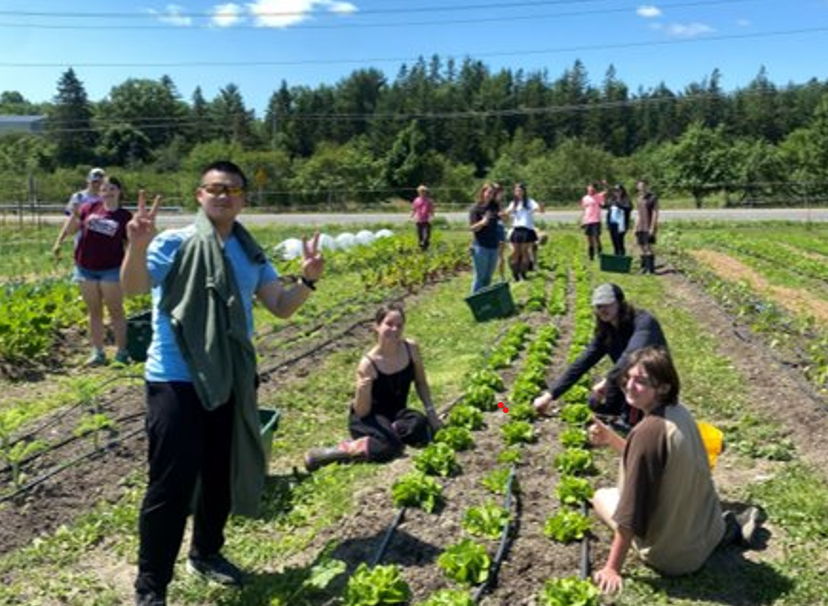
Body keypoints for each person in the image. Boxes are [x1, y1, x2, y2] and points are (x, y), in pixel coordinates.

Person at [121, 160, 324, 606]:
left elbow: (281, 306)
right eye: (214, 187)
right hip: (176, 379)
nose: (222, 194)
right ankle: (151, 586)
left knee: (219, 474)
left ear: (243, 199)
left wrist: (307, 279)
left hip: (232, 377)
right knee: (170, 486)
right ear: (199, 195)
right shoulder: (174, 242)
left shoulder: (252, 253)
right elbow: (134, 288)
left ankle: (207, 552)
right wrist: (136, 246)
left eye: (232, 189)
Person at [588, 346, 764, 594]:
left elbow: (631, 510)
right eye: (628, 378)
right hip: (709, 530)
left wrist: (612, 568)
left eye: (641, 381)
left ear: (663, 387)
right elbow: (648, 458)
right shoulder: (679, 413)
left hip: (674, 557)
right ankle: (728, 529)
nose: (629, 386)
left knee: (601, 496)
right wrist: (610, 438)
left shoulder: (649, 432)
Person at [304, 303, 440, 471]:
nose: (394, 330)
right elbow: (362, 411)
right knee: (388, 449)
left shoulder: (410, 348)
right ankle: (338, 451)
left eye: (399, 325)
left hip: (396, 414)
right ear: (377, 326)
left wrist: (431, 413)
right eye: (389, 324)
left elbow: (421, 382)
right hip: (369, 418)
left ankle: (390, 433)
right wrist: (362, 389)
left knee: (421, 424)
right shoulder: (368, 364)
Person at [532, 283, 668, 427]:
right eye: (598, 306)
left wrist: (606, 382)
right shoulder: (606, 330)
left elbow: (632, 355)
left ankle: (644, 418)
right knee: (598, 404)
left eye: (607, 304)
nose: (603, 310)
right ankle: (627, 415)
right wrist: (550, 395)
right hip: (627, 373)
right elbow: (582, 362)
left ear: (620, 303)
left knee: (638, 417)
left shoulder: (644, 322)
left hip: (654, 377)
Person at [53, 175, 132, 366]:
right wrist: (73, 216)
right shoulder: (88, 208)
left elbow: (130, 244)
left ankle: (122, 354)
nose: (108, 192)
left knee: (116, 311)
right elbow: (72, 229)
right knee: (94, 311)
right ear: (99, 192)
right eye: (104, 189)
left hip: (111, 269)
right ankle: (98, 353)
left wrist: (130, 268)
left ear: (119, 191)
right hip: (85, 267)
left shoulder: (124, 216)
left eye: (112, 188)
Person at [53, 167, 106, 254]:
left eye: (100, 182)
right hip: (82, 242)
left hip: (102, 243)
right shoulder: (78, 197)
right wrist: (58, 241)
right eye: (94, 182)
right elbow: (70, 220)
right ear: (88, 181)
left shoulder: (106, 198)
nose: (97, 185)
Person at [504, 182, 543, 281]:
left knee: (525, 252)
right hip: (516, 229)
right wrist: (507, 212)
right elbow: (506, 213)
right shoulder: (513, 203)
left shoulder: (529, 202)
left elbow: (540, 210)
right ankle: (515, 274)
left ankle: (523, 274)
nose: (518, 192)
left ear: (524, 191)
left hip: (527, 229)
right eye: (516, 190)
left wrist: (541, 207)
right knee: (516, 253)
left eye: (520, 190)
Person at [468, 182, 501, 293]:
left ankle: (485, 302)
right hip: (480, 247)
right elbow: (472, 228)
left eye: (492, 193)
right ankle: (475, 302)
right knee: (480, 277)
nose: (490, 194)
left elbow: (500, 221)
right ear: (483, 192)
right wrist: (482, 222)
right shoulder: (475, 208)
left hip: (494, 246)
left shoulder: (494, 207)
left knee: (488, 277)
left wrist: (505, 217)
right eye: (488, 192)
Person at [634, 179, 659, 274]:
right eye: (640, 186)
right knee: (641, 247)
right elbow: (638, 214)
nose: (641, 188)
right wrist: (635, 227)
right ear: (637, 187)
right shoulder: (638, 198)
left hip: (648, 226)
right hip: (640, 226)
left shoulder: (652, 198)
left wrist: (652, 227)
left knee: (648, 247)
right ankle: (643, 268)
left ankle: (651, 269)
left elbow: (655, 213)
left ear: (646, 186)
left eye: (643, 186)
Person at [580, 181, 607, 261]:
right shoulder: (585, 198)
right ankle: (591, 256)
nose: (590, 191)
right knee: (589, 239)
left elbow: (606, 192)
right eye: (589, 189)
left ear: (595, 189)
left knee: (596, 238)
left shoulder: (598, 196)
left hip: (596, 220)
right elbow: (584, 210)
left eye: (592, 189)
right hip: (587, 221)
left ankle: (599, 254)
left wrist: (604, 184)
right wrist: (582, 221)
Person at [606, 183, 632, 257]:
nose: (617, 192)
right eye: (615, 191)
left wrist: (619, 204)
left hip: (621, 225)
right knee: (614, 241)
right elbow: (607, 207)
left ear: (623, 191)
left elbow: (628, 208)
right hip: (612, 224)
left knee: (620, 241)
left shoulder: (626, 200)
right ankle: (616, 255)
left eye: (619, 190)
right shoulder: (612, 200)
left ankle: (622, 256)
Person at [410, 184, 435, 251]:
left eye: (424, 191)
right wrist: (412, 215)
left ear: (426, 192)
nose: (422, 193)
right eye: (421, 191)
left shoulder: (429, 200)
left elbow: (431, 209)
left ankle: (426, 245)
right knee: (420, 234)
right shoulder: (416, 200)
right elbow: (414, 208)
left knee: (427, 235)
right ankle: (421, 247)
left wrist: (432, 217)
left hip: (427, 219)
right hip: (419, 219)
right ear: (419, 192)